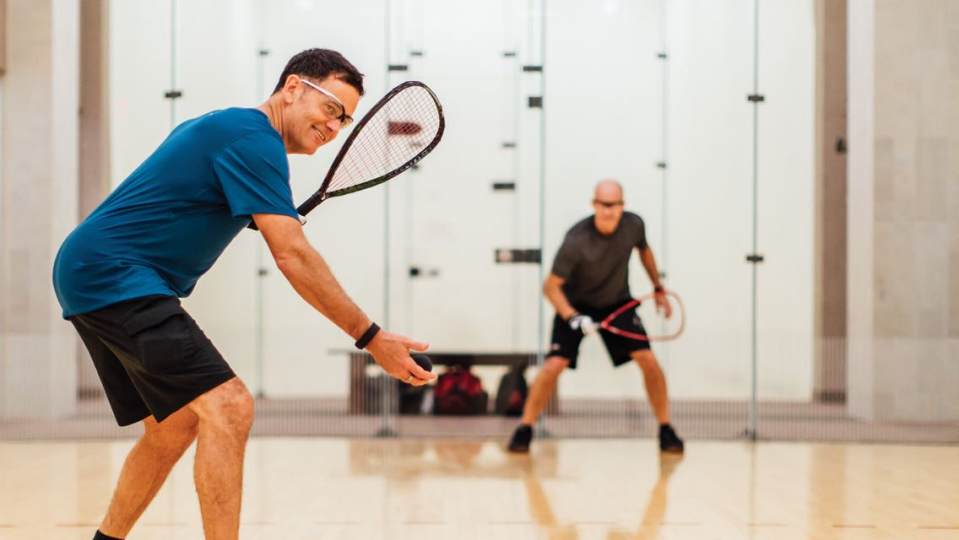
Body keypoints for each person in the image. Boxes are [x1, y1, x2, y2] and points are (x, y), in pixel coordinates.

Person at [52, 48, 435, 540]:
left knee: (174, 426)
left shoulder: (238, 133)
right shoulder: (252, 139)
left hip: (96, 272)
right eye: (331, 110)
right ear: (293, 88)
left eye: (345, 120)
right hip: (113, 275)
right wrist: (371, 336)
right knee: (230, 405)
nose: (335, 127)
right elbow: (292, 255)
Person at [507, 179, 684, 454]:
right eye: (603, 205)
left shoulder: (633, 225)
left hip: (617, 303)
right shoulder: (576, 240)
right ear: (594, 204)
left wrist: (657, 287)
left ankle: (666, 429)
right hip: (575, 305)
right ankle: (525, 429)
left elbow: (644, 250)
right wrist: (573, 317)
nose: (609, 211)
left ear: (623, 206)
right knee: (553, 365)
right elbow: (550, 286)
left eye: (614, 205)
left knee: (648, 360)